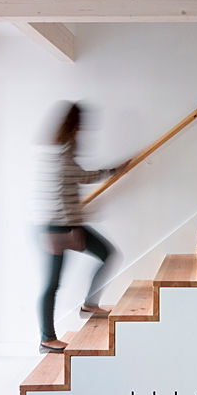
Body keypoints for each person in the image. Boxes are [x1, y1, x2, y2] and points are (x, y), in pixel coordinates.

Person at [35, 102, 130, 353]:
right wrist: (113, 171)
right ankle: (47, 337)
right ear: (75, 125)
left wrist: (112, 171)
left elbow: (77, 179)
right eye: (81, 125)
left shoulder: (59, 150)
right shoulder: (63, 153)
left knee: (103, 256)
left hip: (59, 227)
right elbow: (75, 181)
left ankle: (87, 306)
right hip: (60, 229)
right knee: (53, 284)